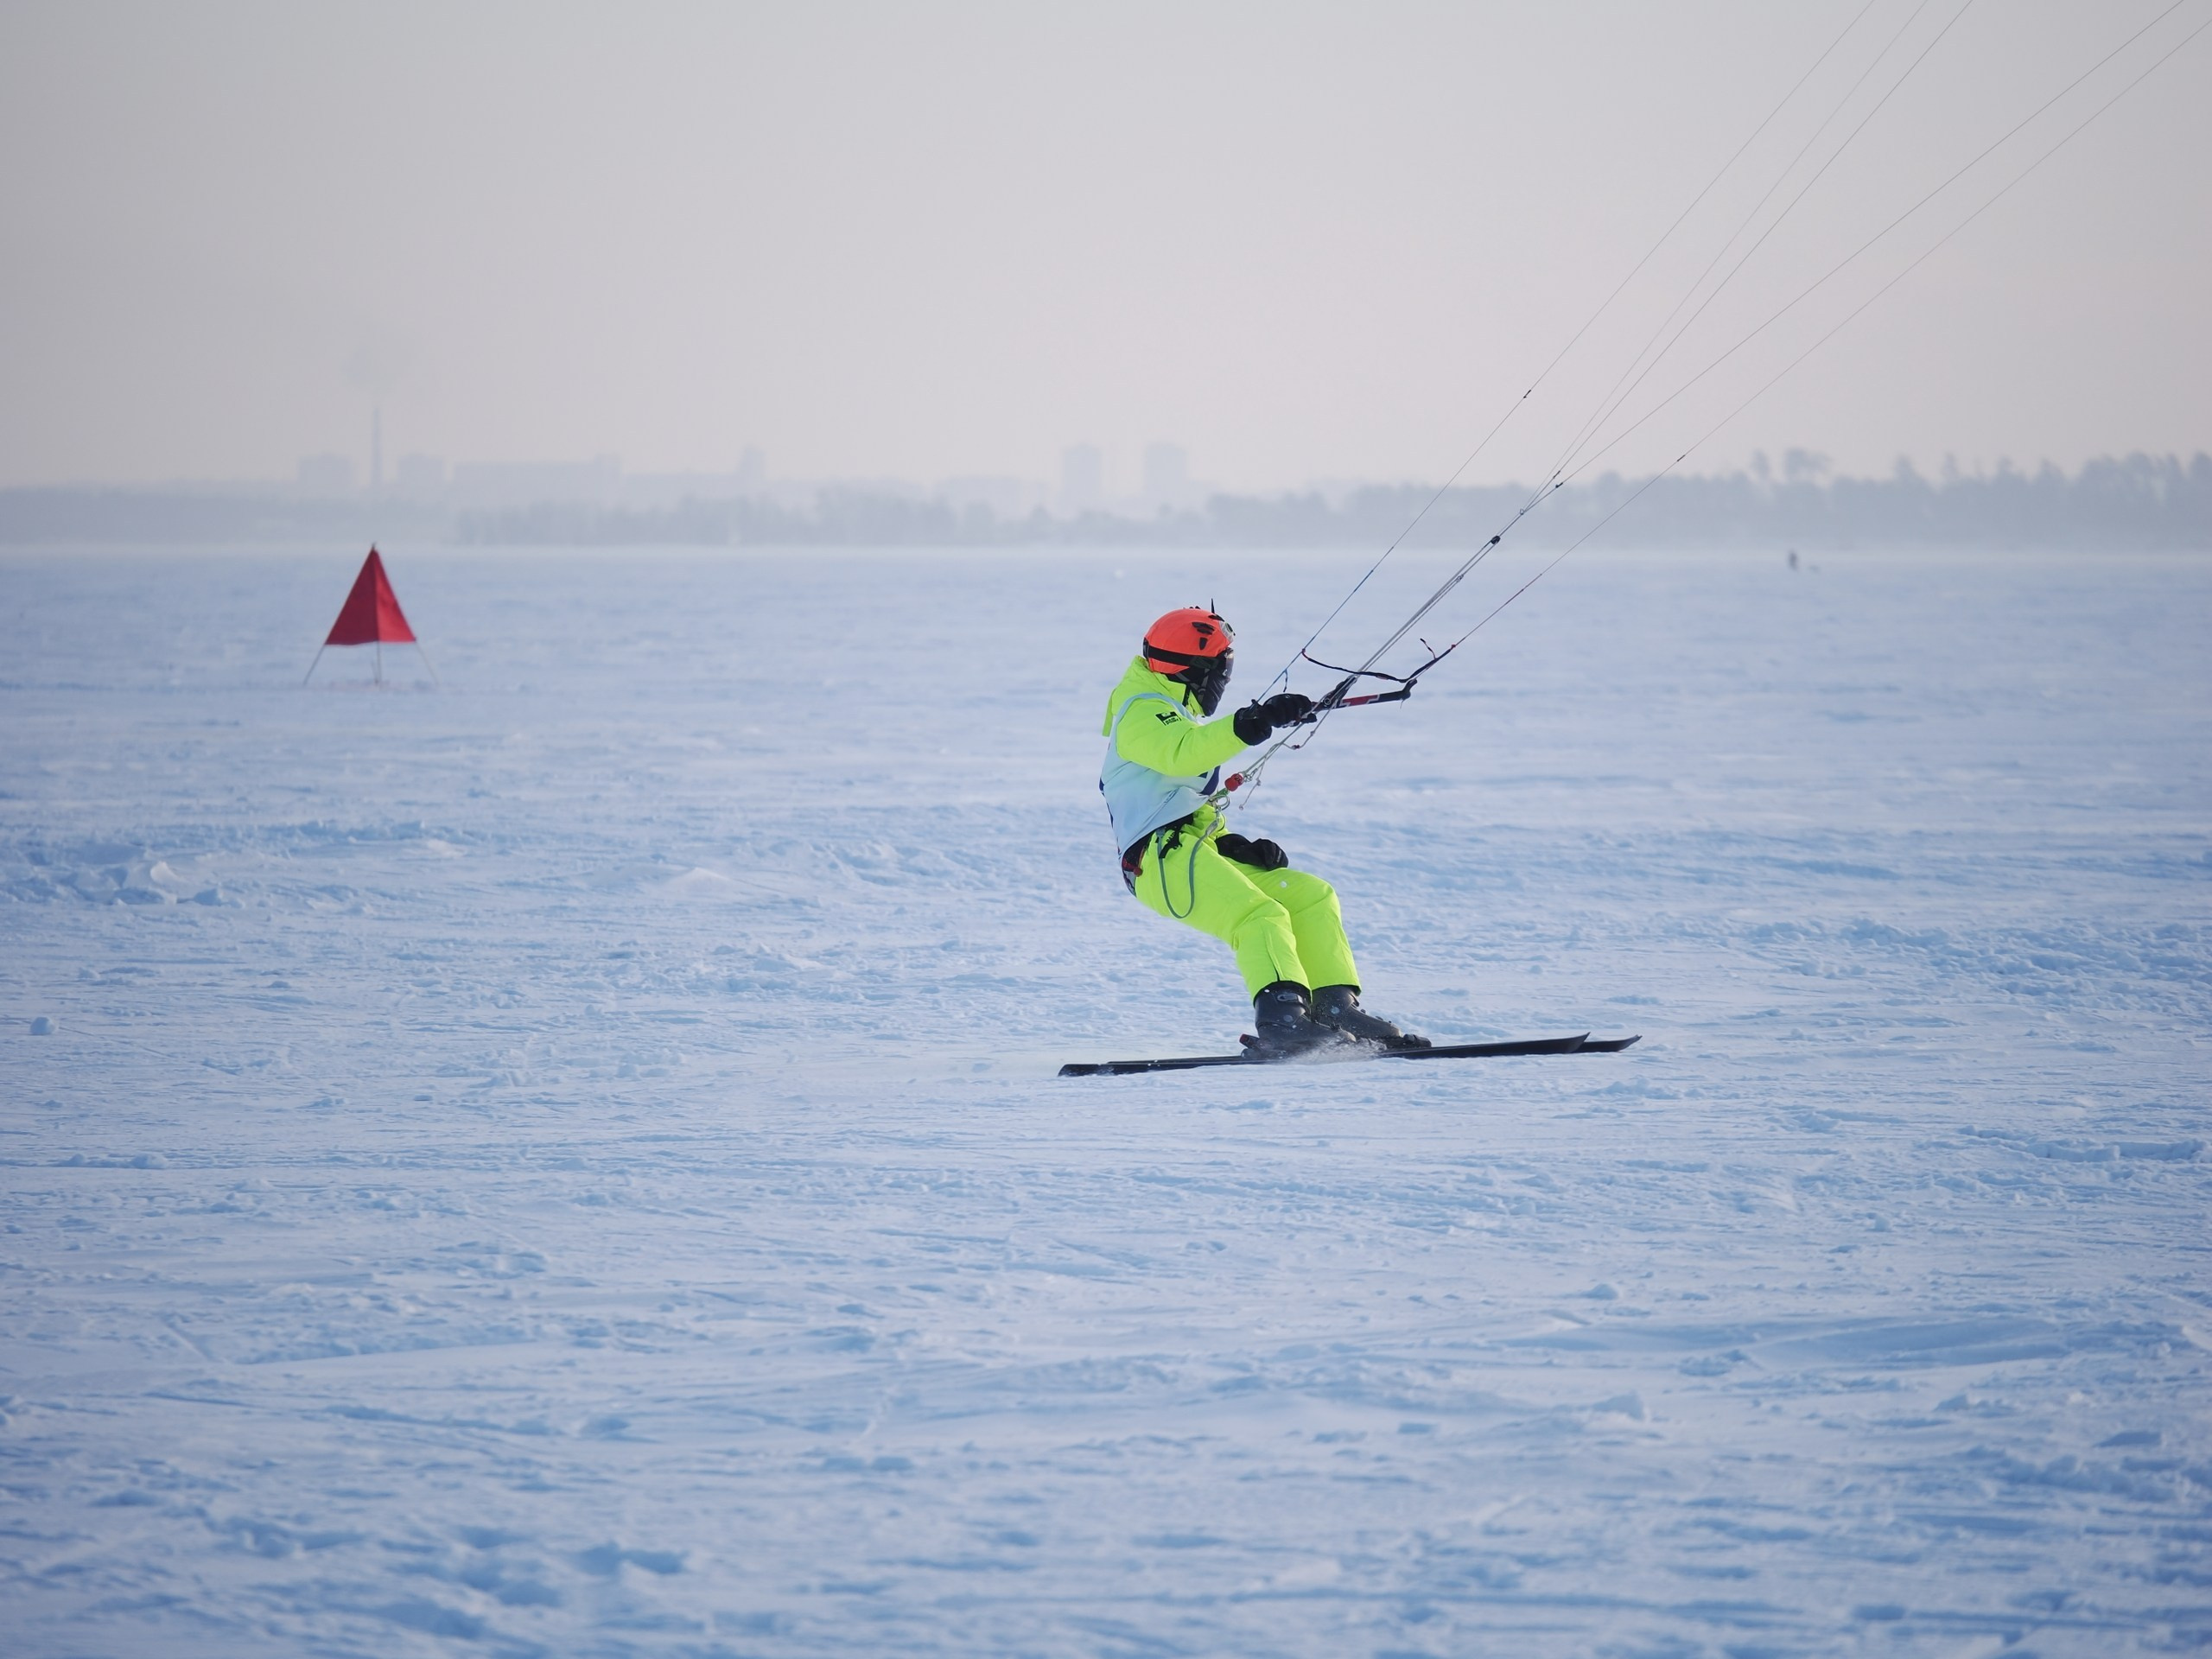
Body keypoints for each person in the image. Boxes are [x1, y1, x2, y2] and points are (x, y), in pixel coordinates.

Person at [1099, 606, 1429, 1058]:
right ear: (1198, 670)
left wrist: (1232, 843)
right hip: (1155, 861)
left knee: (1310, 896)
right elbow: (1183, 755)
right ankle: (1282, 1022)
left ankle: (1334, 1009)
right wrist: (1250, 722)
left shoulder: (1169, 707)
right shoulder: (1142, 709)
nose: (1225, 679)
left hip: (1190, 846)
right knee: (1259, 915)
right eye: (1222, 668)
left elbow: (1177, 795)